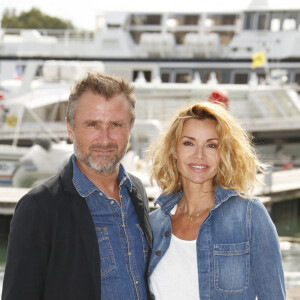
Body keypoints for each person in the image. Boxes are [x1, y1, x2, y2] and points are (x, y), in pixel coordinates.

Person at [2, 72, 153, 300]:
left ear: (130, 128)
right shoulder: (39, 208)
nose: (105, 139)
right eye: (93, 124)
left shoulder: (136, 191)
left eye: (116, 125)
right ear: (70, 129)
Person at [147, 102, 285, 299]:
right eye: (189, 143)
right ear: (174, 150)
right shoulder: (153, 226)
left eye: (211, 145)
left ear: (223, 154)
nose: (199, 154)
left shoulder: (249, 216)